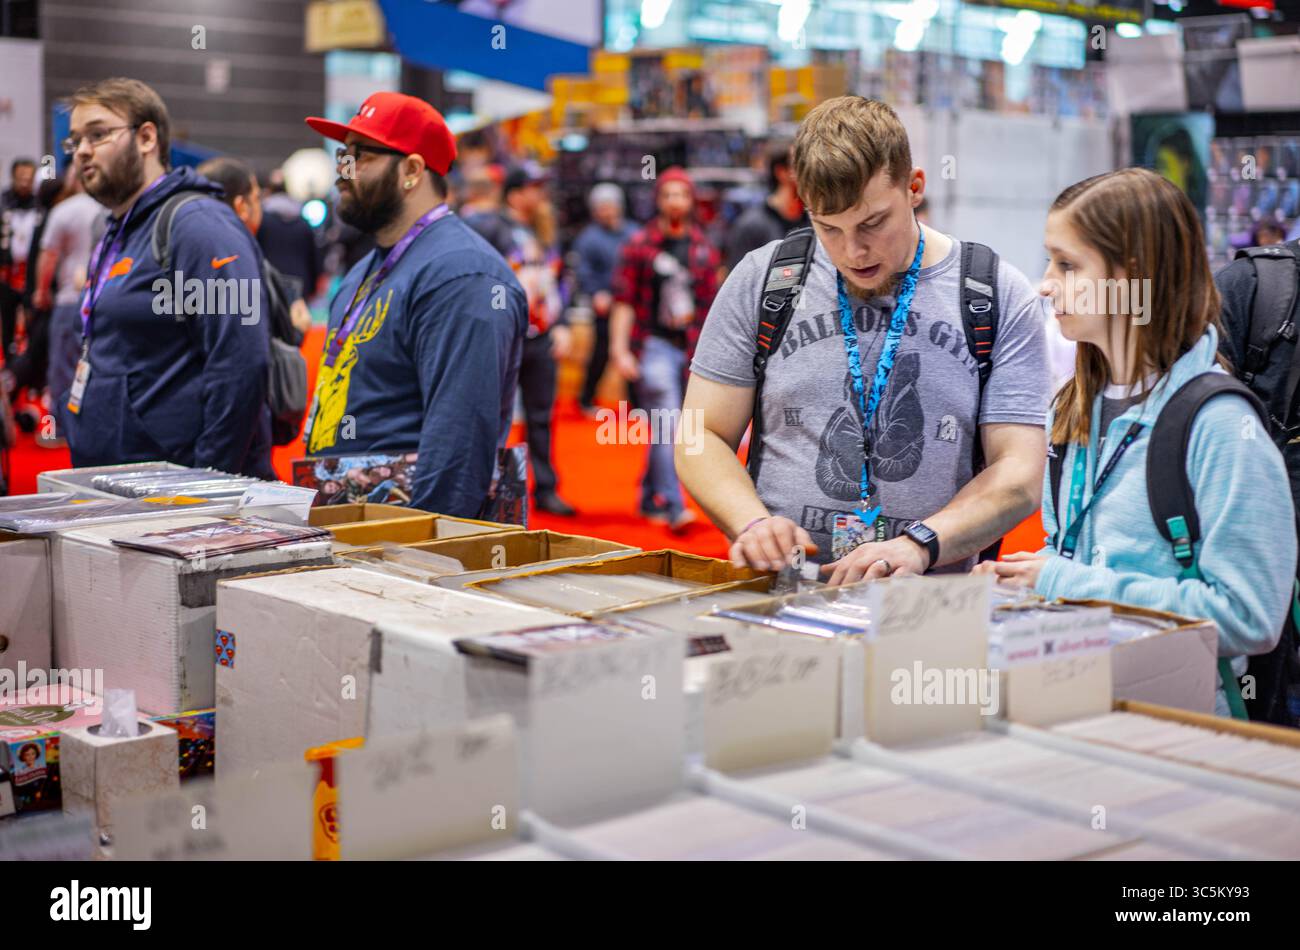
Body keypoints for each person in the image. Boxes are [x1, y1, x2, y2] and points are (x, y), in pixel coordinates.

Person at [678, 97, 1049, 581]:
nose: (852, 252)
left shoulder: (993, 293)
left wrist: (921, 545)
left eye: (872, 223)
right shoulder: (766, 279)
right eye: (828, 227)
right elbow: (699, 433)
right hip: (781, 595)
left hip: (930, 603)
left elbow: (1018, 473)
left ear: (914, 187)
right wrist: (750, 522)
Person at [978, 168, 1295, 717]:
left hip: (1179, 736)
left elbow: (1249, 615)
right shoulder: (1073, 408)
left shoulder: (1219, 427)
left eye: (1068, 264)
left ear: (1132, 278)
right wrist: (1025, 582)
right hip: (1075, 711)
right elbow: (1075, 554)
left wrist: (1063, 581)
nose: (1046, 283)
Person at [301, 91, 528, 517]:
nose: (341, 171)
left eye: (360, 155)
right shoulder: (364, 270)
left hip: (408, 541)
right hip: (353, 525)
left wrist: (420, 557)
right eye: (341, 155)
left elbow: (459, 446)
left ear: (411, 170)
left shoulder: (463, 275)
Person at [63, 77, 271, 476]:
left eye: (99, 134)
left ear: (146, 138)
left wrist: (206, 482)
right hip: (119, 483)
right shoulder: (118, 229)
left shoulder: (198, 226)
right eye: (75, 141)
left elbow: (242, 362)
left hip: (180, 498)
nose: (83, 151)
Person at [611, 168, 722, 532]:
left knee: (666, 426)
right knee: (669, 425)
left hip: (690, 348)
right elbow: (624, 300)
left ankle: (647, 495)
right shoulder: (639, 244)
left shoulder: (703, 248)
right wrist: (619, 349)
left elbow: (710, 308)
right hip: (652, 345)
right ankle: (673, 505)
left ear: (691, 202)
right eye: (668, 194)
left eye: (682, 195)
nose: (675, 201)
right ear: (658, 200)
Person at [466, 162, 575, 517]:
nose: (540, 193)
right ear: (515, 192)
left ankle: (545, 487)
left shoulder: (544, 228)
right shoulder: (490, 227)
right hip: (504, 334)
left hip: (541, 334)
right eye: (533, 186)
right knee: (492, 412)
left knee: (542, 415)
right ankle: (485, 482)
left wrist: (564, 323)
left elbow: (561, 280)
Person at [33, 171, 105, 445]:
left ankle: (60, 429)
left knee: (63, 365)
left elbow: (48, 254)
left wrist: (41, 291)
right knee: (95, 364)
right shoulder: (109, 209)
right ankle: (92, 426)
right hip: (99, 297)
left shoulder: (64, 211)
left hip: (68, 298)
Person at [573, 183, 635, 415]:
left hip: (631, 305)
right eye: (602, 207)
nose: (607, 211)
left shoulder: (633, 233)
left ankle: (637, 402)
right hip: (605, 306)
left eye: (610, 206)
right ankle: (586, 398)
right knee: (601, 352)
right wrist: (596, 292)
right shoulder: (589, 239)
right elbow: (583, 271)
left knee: (635, 351)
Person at [724, 141, 806, 272]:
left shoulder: (814, 222)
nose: (808, 172)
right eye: (800, 166)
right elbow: (738, 283)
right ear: (781, 172)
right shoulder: (751, 226)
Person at [257, 169, 323, 308]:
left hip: (269, 283)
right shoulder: (303, 221)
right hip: (301, 283)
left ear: (268, 190)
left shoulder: (262, 219)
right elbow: (315, 257)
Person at [0, 158, 38, 367]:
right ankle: (6, 367)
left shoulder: (38, 205)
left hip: (30, 274)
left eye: (29, 178)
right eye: (21, 178)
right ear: (13, 177)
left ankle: (27, 369)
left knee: (32, 323)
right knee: (7, 323)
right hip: (6, 273)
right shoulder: (3, 203)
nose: (25, 182)